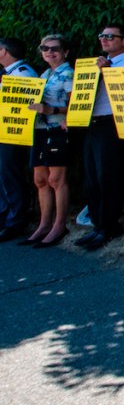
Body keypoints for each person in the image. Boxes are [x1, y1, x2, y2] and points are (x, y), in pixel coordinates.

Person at [74, 22, 124, 251]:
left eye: (110, 36)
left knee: (108, 176)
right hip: (92, 122)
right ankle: (97, 223)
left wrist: (107, 72)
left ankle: (109, 225)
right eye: (102, 36)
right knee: (91, 177)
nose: (104, 40)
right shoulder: (94, 63)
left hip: (113, 124)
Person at [23, 35, 74, 247]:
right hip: (40, 129)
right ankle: (44, 224)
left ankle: (59, 225)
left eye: (55, 49)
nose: (49, 52)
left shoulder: (68, 74)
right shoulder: (44, 73)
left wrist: (52, 109)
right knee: (40, 179)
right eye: (45, 48)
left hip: (58, 129)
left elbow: (77, 105)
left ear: (65, 52)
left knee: (56, 179)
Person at [0, 37, 39, 242]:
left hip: (14, 133)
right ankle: (6, 214)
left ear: (4, 51)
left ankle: (16, 220)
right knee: (4, 175)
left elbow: (25, 108)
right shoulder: (8, 74)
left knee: (11, 174)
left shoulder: (23, 73)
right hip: (4, 131)